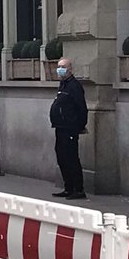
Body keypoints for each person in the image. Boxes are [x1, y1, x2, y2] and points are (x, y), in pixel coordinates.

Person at [50, 57, 89, 200]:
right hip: (60, 127)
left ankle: (78, 189)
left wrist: (79, 126)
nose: (60, 69)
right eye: (59, 66)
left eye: (63, 67)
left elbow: (81, 108)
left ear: (70, 69)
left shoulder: (74, 86)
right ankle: (68, 187)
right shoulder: (63, 85)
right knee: (62, 157)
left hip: (70, 128)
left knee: (71, 158)